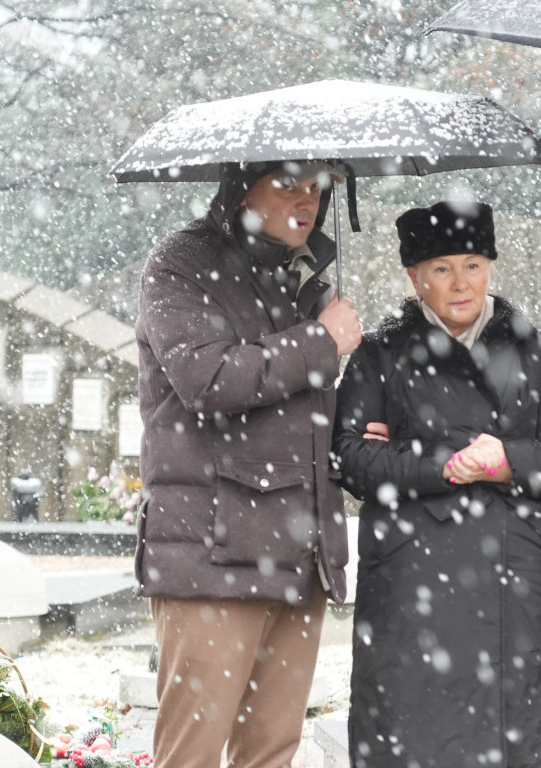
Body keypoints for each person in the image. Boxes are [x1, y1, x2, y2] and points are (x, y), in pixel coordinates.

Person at [332, 200, 541, 768]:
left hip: (515, 583)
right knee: (413, 739)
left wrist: (507, 461)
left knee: (516, 740)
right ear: (414, 277)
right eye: (442, 268)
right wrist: (440, 464)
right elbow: (350, 460)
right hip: (412, 582)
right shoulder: (382, 353)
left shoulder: (528, 347)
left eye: (473, 265)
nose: (460, 283)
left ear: (491, 268)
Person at [135, 159, 362, 768]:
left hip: (298, 552)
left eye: (318, 186)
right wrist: (320, 342)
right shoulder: (182, 263)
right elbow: (206, 380)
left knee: (271, 754)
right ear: (242, 187)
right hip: (213, 556)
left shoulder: (308, 281)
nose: (308, 199)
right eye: (289, 182)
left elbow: (297, 415)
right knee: (194, 755)